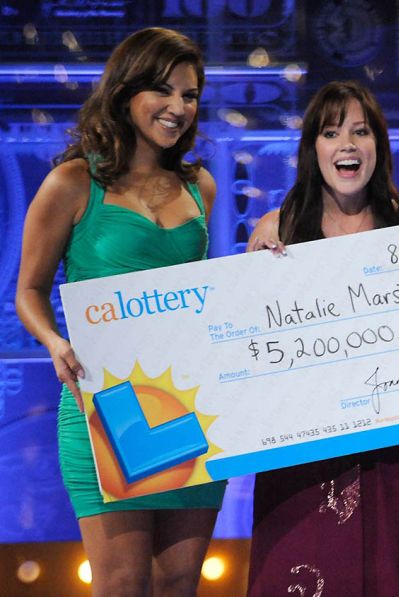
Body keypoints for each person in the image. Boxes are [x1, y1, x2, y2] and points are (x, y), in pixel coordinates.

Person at [15, 27, 227, 596]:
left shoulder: (200, 186)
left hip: (188, 404)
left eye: (190, 95)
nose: (178, 107)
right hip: (103, 407)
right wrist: (55, 342)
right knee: (124, 585)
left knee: (179, 584)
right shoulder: (72, 182)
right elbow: (29, 290)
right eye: (164, 90)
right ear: (126, 91)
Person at [245, 80, 399, 596]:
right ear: (313, 148)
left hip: (389, 447)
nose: (347, 145)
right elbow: (249, 346)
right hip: (300, 454)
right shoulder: (278, 229)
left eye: (361, 131)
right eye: (331, 133)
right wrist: (256, 272)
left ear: (379, 144)